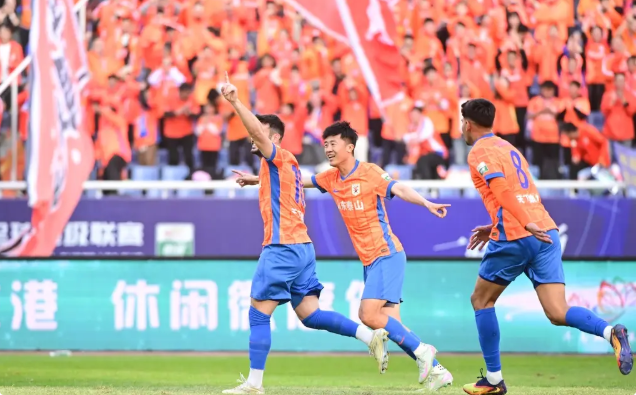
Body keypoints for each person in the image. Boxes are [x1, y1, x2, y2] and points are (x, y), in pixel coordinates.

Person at [235, 121, 454, 391]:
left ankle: (423, 350)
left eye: (333, 143)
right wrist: (257, 179)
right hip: (370, 261)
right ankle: (437, 370)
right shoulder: (331, 178)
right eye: (325, 144)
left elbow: (398, 188)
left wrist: (426, 202)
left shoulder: (369, 172)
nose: (328, 149)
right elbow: (295, 180)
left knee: (368, 315)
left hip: (386, 253)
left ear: (350, 147)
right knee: (393, 325)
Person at [220, 74, 388, 395]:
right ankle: (370, 337)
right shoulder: (284, 165)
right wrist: (256, 180)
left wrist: (234, 101)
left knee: (258, 312)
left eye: (260, 133)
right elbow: (281, 185)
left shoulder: (278, 155)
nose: (253, 138)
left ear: (274, 138)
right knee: (311, 314)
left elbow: (257, 132)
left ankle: (254, 384)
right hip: (303, 247)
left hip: (282, 246)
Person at [459, 98, 633, 395]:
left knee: (481, 300)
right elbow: (522, 192)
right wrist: (503, 223)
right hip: (546, 232)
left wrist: (522, 222)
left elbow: (501, 190)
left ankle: (494, 380)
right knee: (557, 311)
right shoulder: (509, 148)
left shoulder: (480, 151)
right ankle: (610, 332)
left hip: (518, 233)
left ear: (467, 124)